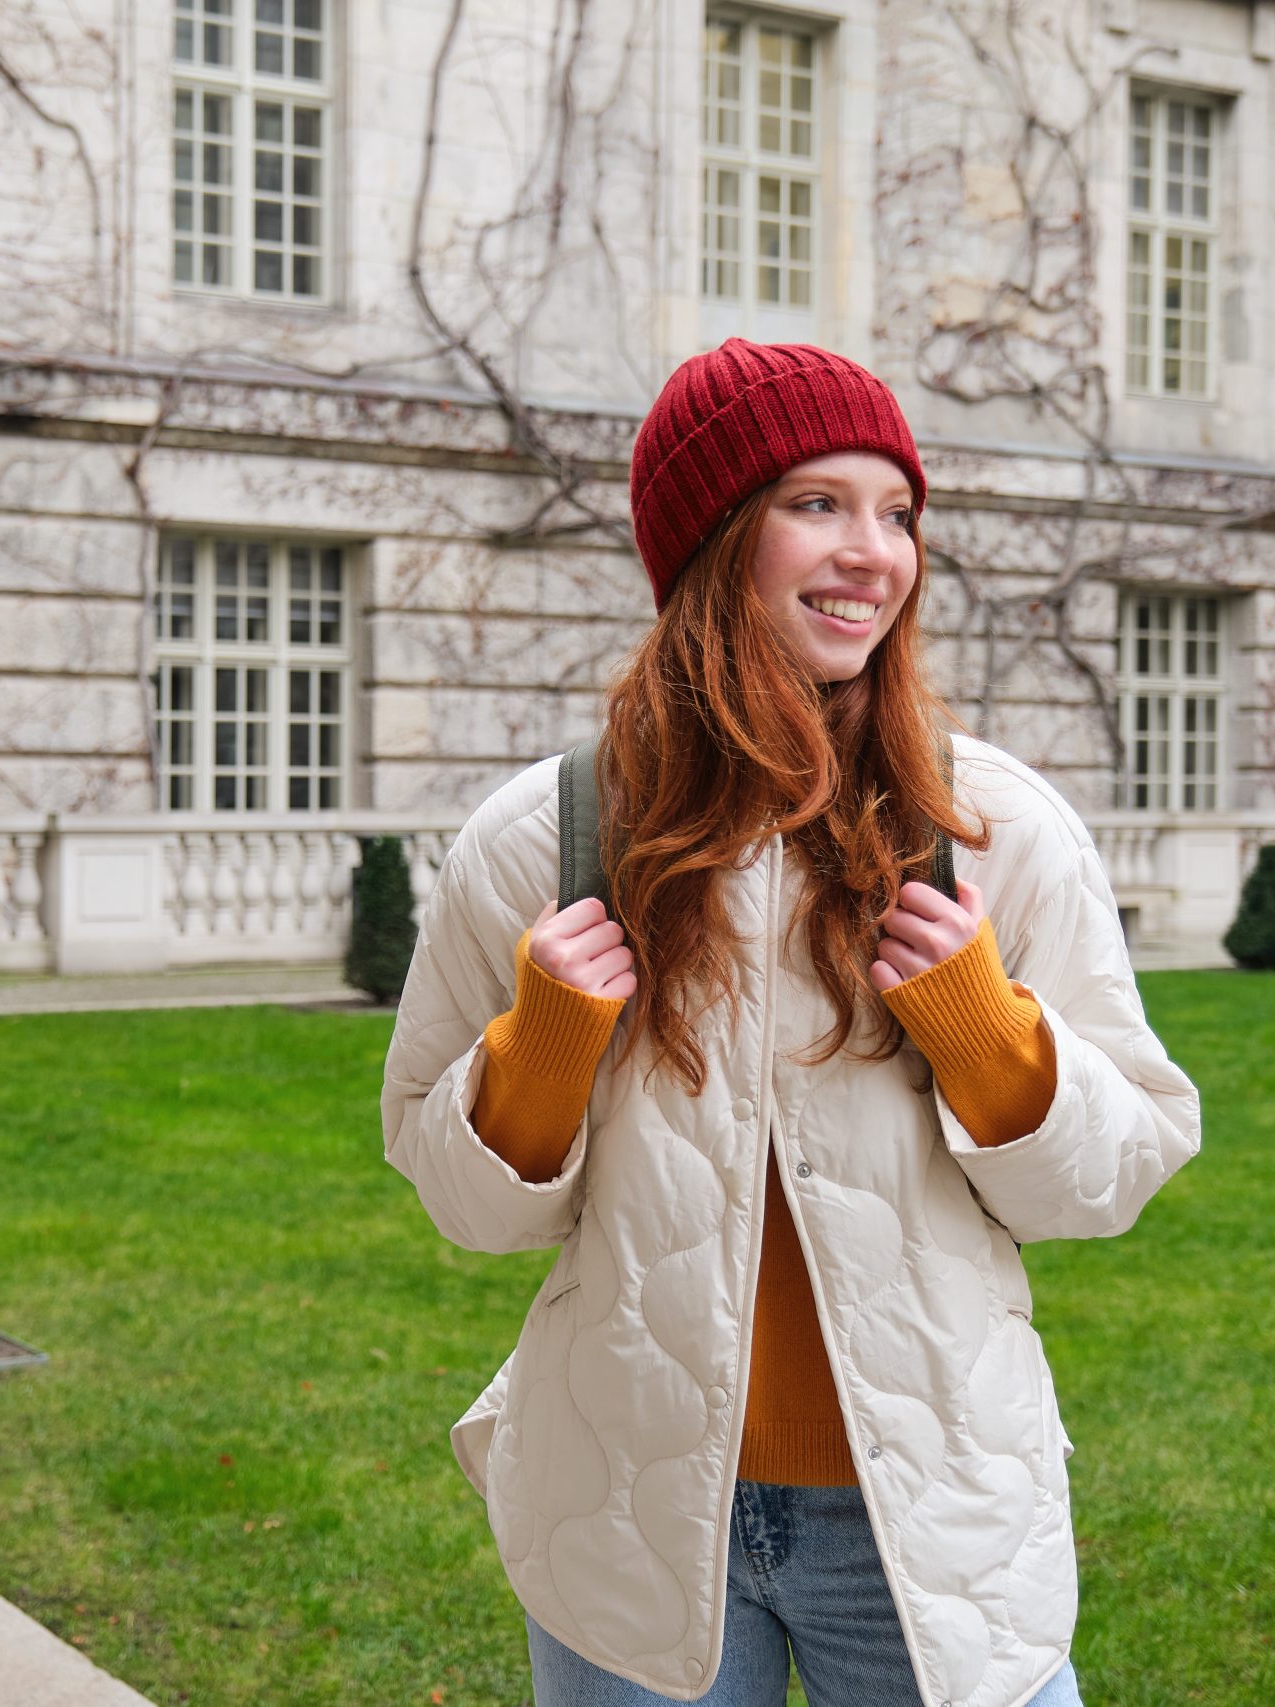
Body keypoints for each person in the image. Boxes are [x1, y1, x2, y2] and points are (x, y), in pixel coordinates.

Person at [381, 340, 1201, 1707]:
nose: (873, 550)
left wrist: (986, 1032)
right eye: (817, 502)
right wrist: (538, 1049)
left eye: (896, 512)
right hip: (628, 1514)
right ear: (711, 540)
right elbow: (464, 1201)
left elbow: (1119, 1173)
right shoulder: (545, 837)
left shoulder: (991, 825)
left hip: (931, 1511)